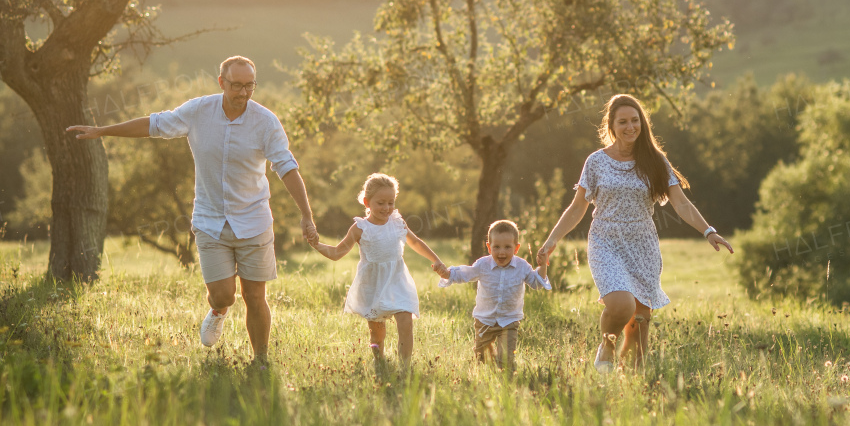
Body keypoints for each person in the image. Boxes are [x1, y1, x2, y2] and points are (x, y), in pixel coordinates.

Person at [66, 56, 318, 366]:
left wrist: (306, 214)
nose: (243, 92)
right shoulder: (199, 111)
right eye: (236, 85)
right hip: (211, 221)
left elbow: (286, 167)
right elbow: (154, 124)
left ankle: (261, 360)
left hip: (254, 221)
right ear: (221, 82)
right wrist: (103, 130)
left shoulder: (265, 122)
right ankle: (218, 311)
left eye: (249, 85)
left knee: (255, 296)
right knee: (225, 294)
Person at [536, 94, 734, 372]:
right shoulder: (596, 162)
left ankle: (631, 379)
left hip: (643, 244)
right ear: (611, 126)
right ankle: (606, 345)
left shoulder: (655, 161)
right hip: (605, 240)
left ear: (642, 123)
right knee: (621, 305)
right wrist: (552, 240)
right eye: (623, 121)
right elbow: (577, 206)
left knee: (641, 319)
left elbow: (681, 202)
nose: (630, 126)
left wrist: (708, 231)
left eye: (635, 120)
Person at [311, 173, 448, 366]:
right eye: (381, 203)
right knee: (377, 333)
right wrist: (316, 244)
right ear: (367, 202)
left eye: (391, 203)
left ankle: (405, 367)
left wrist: (436, 260)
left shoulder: (397, 222)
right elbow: (336, 253)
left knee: (405, 321)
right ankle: (380, 362)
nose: (387, 208)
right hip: (373, 284)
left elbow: (415, 242)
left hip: (398, 279)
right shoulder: (360, 228)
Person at [437, 219, 551, 371]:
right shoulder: (483, 265)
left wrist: (543, 266)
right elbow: (466, 273)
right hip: (485, 320)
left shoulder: (522, 266)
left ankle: (507, 380)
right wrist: (448, 274)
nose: (501, 252)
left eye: (507, 247)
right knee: (483, 361)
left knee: (506, 360)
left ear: (516, 248)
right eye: (496, 247)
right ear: (489, 247)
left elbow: (536, 283)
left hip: (509, 321)